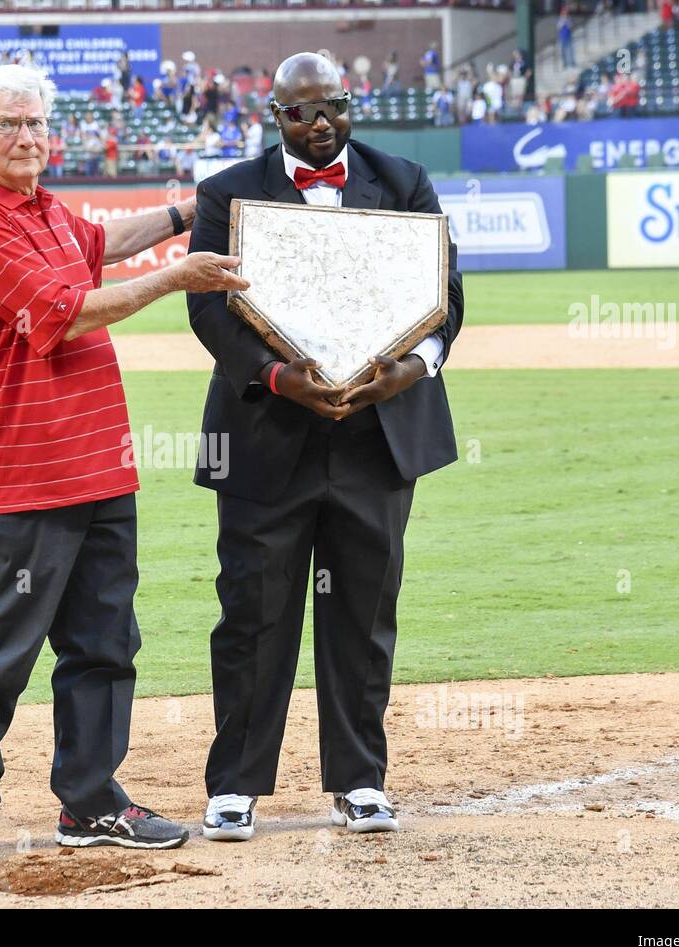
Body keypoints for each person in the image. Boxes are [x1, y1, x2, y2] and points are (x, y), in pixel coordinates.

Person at [0, 63, 248, 868]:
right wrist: (179, 275)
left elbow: (106, 244)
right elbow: (68, 312)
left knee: (106, 643)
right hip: (25, 471)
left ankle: (90, 800)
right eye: (9, 124)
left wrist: (192, 208)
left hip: (101, 467)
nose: (28, 136)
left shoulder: (46, 211)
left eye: (36, 123)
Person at [186, 52, 463, 842]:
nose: (319, 125)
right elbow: (210, 314)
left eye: (332, 107)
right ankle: (235, 783)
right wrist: (278, 379)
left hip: (378, 436)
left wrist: (407, 371)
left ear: (352, 103)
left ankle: (360, 779)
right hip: (265, 434)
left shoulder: (403, 180)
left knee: (363, 613)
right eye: (300, 112)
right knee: (252, 609)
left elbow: (445, 300)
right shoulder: (225, 192)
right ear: (274, 116)